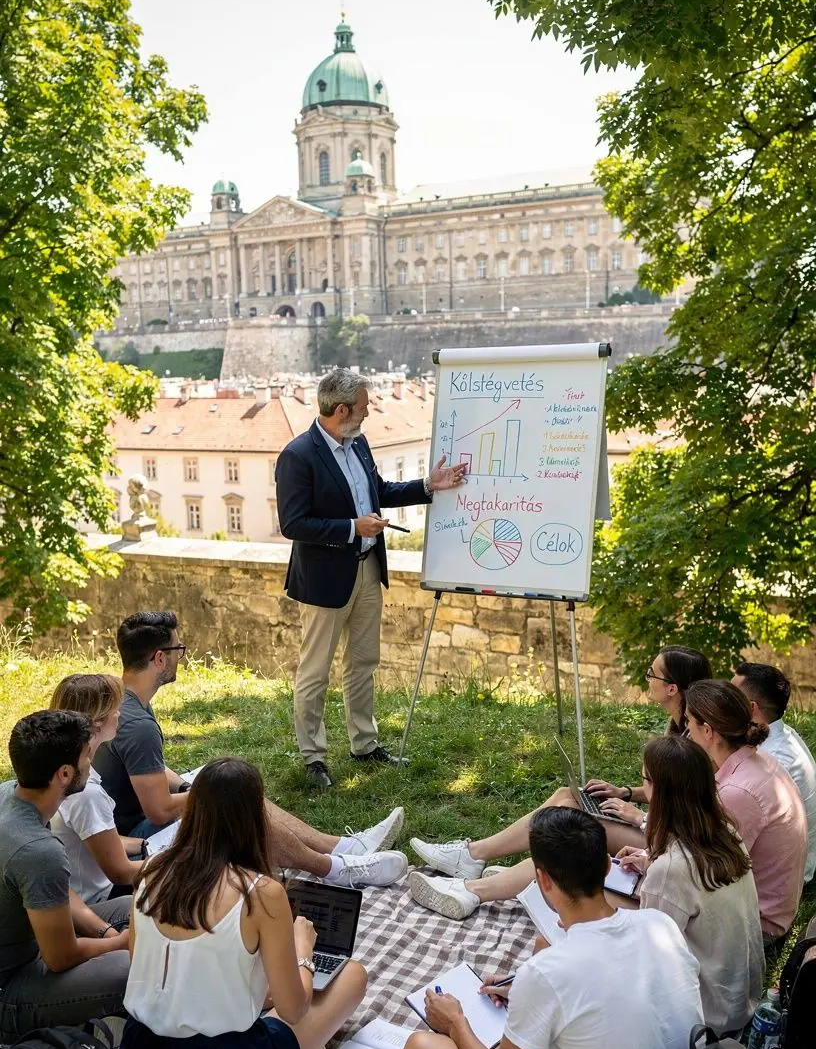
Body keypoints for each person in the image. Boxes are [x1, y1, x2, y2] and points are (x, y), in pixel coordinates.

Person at [399, 808, 703, 1049]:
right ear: (606, 867)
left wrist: (457, 1023)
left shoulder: (546, 973)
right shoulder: (658, 926)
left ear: (542, 880)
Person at [119, 757, 367, 1049]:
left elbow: (141, 961)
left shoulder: (151, 870)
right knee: (353, 976)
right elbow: (294, 1008)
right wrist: (304, 951)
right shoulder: (261, 892)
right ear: (256, 816)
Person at [95, 610, 408, 889]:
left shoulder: (127, 699)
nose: (182, 657)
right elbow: (159, 810)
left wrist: (189, 785)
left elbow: (150, 767)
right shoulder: (138, 725)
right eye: (178, 649)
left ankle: (342, 848)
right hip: (134, 841)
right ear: (159, 658)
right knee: (232, 796)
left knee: (222, 778)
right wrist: (212, 793)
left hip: (122, 829)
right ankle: (336, 868)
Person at [407, 643, 712, 920]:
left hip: (668, 837)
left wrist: (641, 818)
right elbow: (670, 790)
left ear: (672, 688)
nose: (647, 678)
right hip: (662, 832)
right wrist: (626, 793)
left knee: (569, 827)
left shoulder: (695, 742)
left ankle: (474, 884)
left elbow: (690, 814)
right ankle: (474, 857)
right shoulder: (681, 727)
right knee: (567, 795)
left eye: (652, 674)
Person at [275, 367, 466, 787]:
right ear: (341, 409)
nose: (368, 414)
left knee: (362, 663)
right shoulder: (298, 455)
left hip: (366, 569)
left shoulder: (358, 444)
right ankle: (314, 758)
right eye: (363, 407)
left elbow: (380, 492)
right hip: (325, 581)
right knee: (315, 672)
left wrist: (428, 485)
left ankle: (364, 744)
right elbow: (293, 524)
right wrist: (350, 528)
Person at [616, 736, 764, 1036]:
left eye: (644, 779)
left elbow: (651, 961)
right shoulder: (726, 832)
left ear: (657, 789)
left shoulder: (671, 870)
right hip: (741, 998)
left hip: (706, 1018)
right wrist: (650, 862)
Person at [0, 711, 130, 1040]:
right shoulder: (38, 850)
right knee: (129, 968)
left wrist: (103, 931)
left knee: (133, 904)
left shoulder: (9, 795)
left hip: (30, 939)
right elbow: (61, 957)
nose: (92, 762)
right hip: (10, 989)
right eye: (88, 755)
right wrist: (120, 944)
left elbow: (46, 890)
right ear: (64, 773)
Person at [685, 679, 807, 945]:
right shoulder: (759, 760)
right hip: (764, 908)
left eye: (689, 723)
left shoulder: (739, 792)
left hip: (756, 924)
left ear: (708, 731)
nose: (687, 730)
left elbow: (704, 870)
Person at [49, 674, 144, 905]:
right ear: (97, 723)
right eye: (115, 708)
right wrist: (179, 864)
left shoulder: (60, 764)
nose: (119, 714)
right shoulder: (84, 790)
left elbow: (97, 837)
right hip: (98, 898)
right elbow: (120, 872)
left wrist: (145, 845)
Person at [732, 662, 816, 884]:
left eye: (732, 697)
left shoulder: (774, 760)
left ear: (751, 709)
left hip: (780, 879)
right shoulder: (781, 736)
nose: (725, 701)